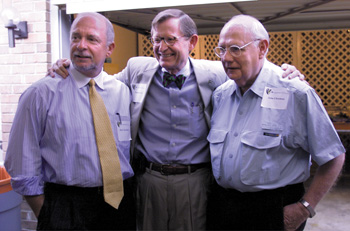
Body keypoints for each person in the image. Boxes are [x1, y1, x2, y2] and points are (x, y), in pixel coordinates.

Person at [48, 9, 304, 230]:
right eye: (157, 39)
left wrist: (284, 71)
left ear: (192, 41)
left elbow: (254, 67)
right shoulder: (138, 69)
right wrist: (69, 66)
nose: (161, 47)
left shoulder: (214, 73)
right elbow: (100, 84)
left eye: (170, 39)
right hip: (149, 180)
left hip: (195, 182)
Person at [206, 14, 345, 231]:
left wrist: (304, 208)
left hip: (273, 210)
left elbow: (333, 156)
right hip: (223, 207)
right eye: (221, 49)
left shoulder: (295, 93)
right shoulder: (220, 95)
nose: (226, 57)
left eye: (236, 48)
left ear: (262, 48)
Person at [5, 12, 136, 230]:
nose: (81, 45)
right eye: (76, 37)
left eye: (92, 39)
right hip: (65, 208)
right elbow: (21, 165)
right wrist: (47, 214)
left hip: (119, 205)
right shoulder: (40, 94)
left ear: (109, 48)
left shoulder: (122, 92)